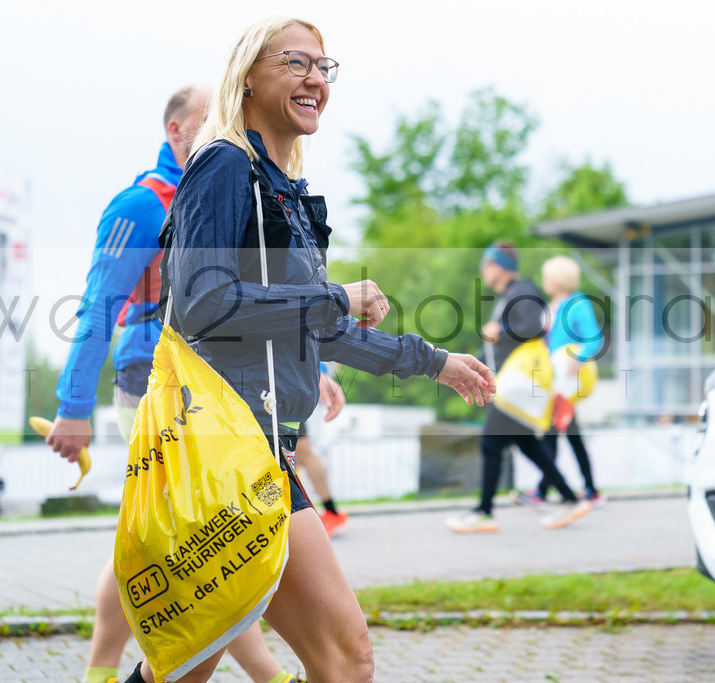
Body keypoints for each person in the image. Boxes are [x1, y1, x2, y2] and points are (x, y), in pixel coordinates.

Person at [127, 16, 496, 683]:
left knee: (215, 660)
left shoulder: (281, 189)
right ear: (247, 76)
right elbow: (205, 302)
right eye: (296, 62)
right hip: (222, 452)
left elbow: (314, 328)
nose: (316, 79)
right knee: (306, 654)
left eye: (325, 67)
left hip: (260, 448)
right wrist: (336, 297)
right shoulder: (223, 165)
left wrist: (432, 361)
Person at [43, 85, 300, 683]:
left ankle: (101, 672)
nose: (231, 127)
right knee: (207, 533)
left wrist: (310, 369)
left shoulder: (227, 195)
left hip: (215, 385)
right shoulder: (140, 205)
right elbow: (97, 306)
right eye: (214, 118)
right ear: (177, 131)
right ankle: (267, 675)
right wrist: (73, 407)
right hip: (151, 382)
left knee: (154, 538)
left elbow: (256, 301)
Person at [445, 243, 593, 535]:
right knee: (527, 444)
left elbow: (530, 327)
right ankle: (570, 498)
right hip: (512, 383)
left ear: (499, 265)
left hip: (518, 384)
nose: (482, 270)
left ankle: (484, 512)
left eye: (485, 264)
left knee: (491, 443)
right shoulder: (510, 295)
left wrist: (500, 331)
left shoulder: (522, 290)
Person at [516, 256, 605, 508]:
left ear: (560, 278)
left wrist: (578, 357)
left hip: (567, 381)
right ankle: (588, 489)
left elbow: (594, 340)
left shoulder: (578, 304)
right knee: (568, 435)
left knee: (554, 432)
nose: (546, 281)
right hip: (552, 380)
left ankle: (544, 490)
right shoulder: (550, 306)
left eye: (549, 276)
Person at [300, 364, 351, 537]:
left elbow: (304, 338)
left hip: (277, 390)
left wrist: (318, 370)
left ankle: (332, 513)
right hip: (275, 386)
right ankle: (332, 512)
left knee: (304, 453)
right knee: (303, 455)